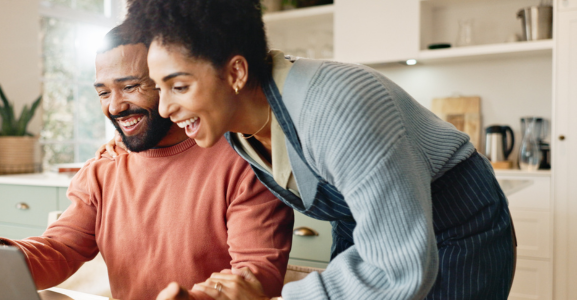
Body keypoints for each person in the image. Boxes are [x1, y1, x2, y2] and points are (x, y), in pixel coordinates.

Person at [119, 1, 516, 299]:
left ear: (236, 73)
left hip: (458, 230)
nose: (167, 109)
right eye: (160, 88)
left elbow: (399, 267)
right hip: (367, 233)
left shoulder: (336, 106)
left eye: (180, 86)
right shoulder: (235, 126)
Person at [0, 24, 294, 300]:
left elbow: (258, 272)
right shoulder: (105, 168)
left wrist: (197, 298)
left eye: (131, 86)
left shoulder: (246, 159)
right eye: (103, 91)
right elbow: (60, 250)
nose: (114, 106)